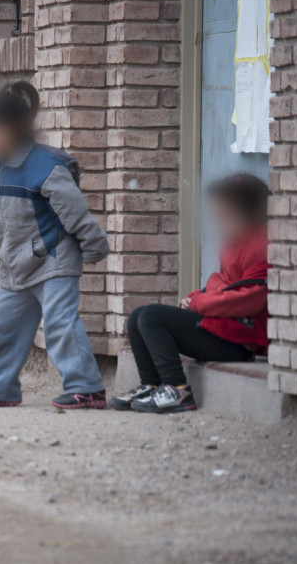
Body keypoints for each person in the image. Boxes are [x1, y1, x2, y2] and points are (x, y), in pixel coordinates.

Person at [0, 81, 110, 409]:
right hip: (15, 267)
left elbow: (74, 211)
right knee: (4, 327)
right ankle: (1, 389)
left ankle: (87, 387)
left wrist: (94, 245)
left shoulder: (45, 166)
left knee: (59, 324)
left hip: (54, 258)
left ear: (17, 130)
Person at [110, 174, 271, 414]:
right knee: (137, 317)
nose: (220, 226)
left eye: (227, 218)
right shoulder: (235, 244)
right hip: (224, 329)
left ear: (254, 218)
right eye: (218, 219)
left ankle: (176, 389)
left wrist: (200, 303)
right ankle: (151, 385)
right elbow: (222, 283)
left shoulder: (262, 247)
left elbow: (249, 298)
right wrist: (197, 296)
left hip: (240, 342)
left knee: (153, 316)